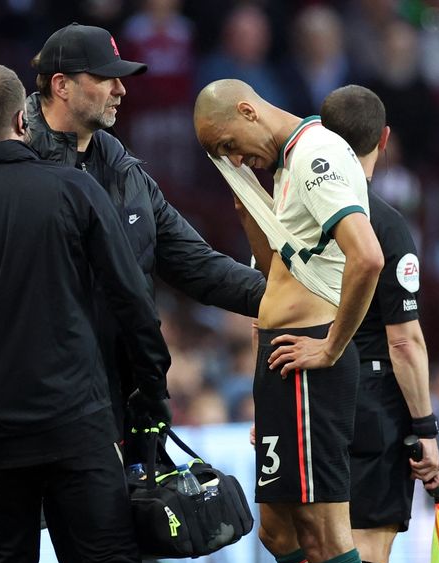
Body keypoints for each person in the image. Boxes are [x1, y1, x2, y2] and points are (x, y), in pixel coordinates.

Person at [0, 64, 171, 563]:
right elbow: (133, 302)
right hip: (77, 419)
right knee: (107, 561)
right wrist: (150, 389)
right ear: (21, 121)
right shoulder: (74, 190)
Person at [27, 22, 265, 438]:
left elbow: (197, 264)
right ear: (61, 85)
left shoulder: (124, 172)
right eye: (106, 77)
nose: (121, 90)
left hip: (114, 403)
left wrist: (287, 295)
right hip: (34, 405)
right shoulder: (14, 166)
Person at [194, 79, 384, 563]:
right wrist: (248, 204)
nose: (233, 159)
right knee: (278, 533)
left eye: (229, 145)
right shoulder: (284, 167)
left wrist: (330, 350)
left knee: (324, 535)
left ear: (247, 111)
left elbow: (368, 257)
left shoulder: (315, 155)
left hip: (311, 359)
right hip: (281, 363)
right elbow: (278, 266)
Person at [320, 85, 439, 563]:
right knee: (365, 550)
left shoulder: (289, 218)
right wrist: (426, 430)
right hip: (368, 402)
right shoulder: (386, 227)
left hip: (304, 394)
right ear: (384, 139)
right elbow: (404, 340)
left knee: (316, 546)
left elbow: (262, 314)